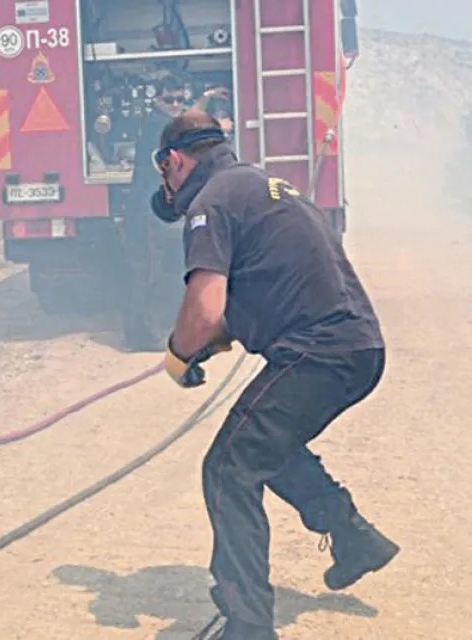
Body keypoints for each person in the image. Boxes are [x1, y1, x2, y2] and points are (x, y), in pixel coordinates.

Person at [151, 110, 400, 639]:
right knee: (266, 445)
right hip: (357, 347)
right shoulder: (264, 186)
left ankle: (248, 626)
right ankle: (354, 539)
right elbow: (273, 286)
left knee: (228, 468)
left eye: (165, 174)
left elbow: (205, 308)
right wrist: (210, 343)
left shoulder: (208, 204)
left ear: (174, 161)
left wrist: (178, 354)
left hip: (318, 352)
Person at [122, 81, 229, 350]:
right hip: (145, 210)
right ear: (155, 100)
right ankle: (141, 336)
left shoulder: (161, 122)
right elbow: (187, 127)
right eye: (169, 99)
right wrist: (219, 127)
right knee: (146, 271)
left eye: (180, 99)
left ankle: (145, 331)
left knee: (149, 268)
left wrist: (203, 98)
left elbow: (184, 120)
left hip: (148, 208)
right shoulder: (156, 125)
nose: (175, 104)